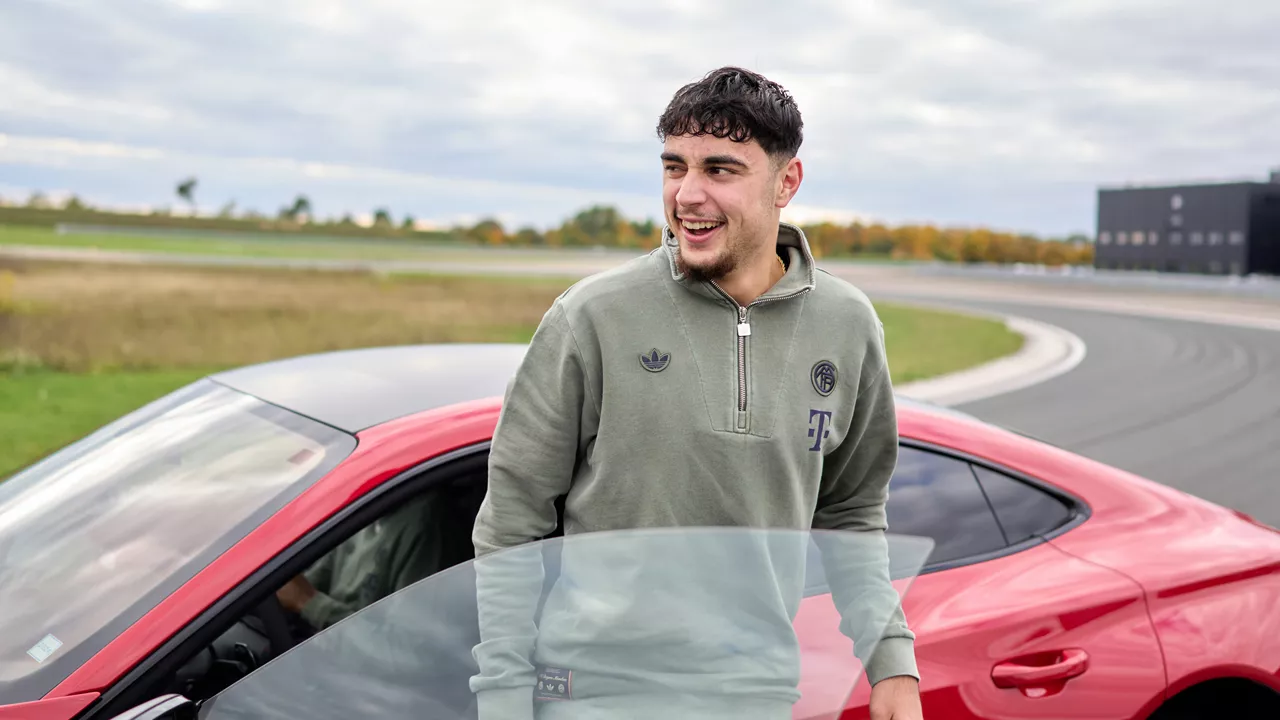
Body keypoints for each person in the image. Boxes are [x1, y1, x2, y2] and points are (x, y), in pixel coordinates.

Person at [471, 66, 923, 720]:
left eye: (719, 170)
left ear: (786, 182)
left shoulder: (848, 327)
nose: (687, 194)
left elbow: (850, 513)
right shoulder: (591, 316)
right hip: (591, 697)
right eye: (673, 167)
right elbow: (513, 520)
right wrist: (504, 696)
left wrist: (891, 661)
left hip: (754, 699)